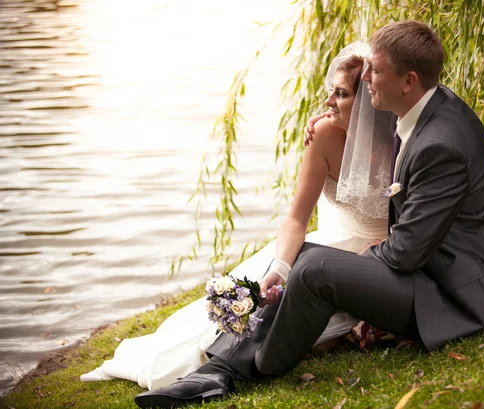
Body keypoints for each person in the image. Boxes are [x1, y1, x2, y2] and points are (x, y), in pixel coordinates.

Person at [133, 20, 484, 409]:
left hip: (452, 293)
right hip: (433, 270)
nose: (367, 80)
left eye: (375, 71)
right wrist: (333, 120)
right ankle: (220, 369)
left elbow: (406, 253)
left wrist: (346, 263)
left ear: (409, 81)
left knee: (318, 269)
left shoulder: (438, 144)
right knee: (305, 255)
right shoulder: (425, 109)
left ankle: (241, 372)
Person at [79, 42, 400, 389]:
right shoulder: (323, 135)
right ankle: (208, 367)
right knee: (229, 321)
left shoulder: (407, 142)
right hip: (324, 248)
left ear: (369, 100)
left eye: (340, 94)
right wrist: (279, 269)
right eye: (330, 92)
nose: (327, 103)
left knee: (305, 328)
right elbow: (296, 219)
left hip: (381, 257)